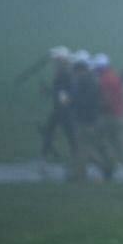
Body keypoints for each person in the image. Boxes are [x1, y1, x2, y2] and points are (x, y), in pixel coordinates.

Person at [38, 47, 77, 176]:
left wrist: (60, 101)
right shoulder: (62, 73)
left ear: (63, 61)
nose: (54, 63)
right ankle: (44, 157)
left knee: (69, 134)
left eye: (57, 60)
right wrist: (49, 91)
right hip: (60, 109)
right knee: (51, 131)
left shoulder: (65, 73)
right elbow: (59, 91)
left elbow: (66, 92)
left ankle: (76, 159)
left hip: (63, 110)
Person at [93, 54, 123, 180]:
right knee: (120, 145)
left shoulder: (104, 80)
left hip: (110, 115)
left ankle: (111, 166)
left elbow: (107, 100)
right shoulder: (113, 76)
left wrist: (99, 109)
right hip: (120, 114)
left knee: (99, 140)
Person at [65, 51, 101, 181]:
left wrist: (72, 101)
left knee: (83, 147)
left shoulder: (85, 81)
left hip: (84, 119)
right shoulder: (91, 79)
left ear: (80, 69)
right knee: (85, 147)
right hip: (89, 118)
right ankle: (84, 171)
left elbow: (85, 101)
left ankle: (82, 173)